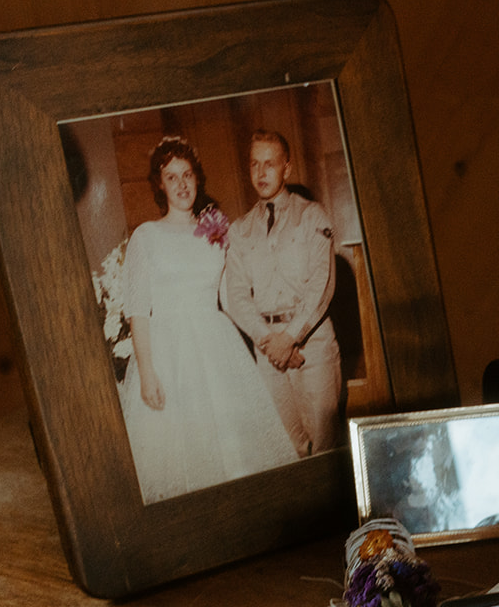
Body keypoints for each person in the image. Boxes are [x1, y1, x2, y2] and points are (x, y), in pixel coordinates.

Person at [119, 135, 298, 504]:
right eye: (172, 177)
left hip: (216, 346)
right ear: (160, 185)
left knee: (231, 457)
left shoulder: (216, 233)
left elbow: (230, 301)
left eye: (188, 175)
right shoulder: (146, 237)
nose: (182, 184)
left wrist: (268, 341)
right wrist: (148, 372)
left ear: (197, 179)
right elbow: (137, 309)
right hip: (169, 353)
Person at [224, 130, 343, 457]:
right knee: (288, 452)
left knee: (325, 450)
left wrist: (290, 337)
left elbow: (321, 286)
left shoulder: (312, 216)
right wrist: (270, 342)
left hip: (313, 347)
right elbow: (237, 296)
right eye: (254, 165)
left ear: (286, 169)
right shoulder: (240, 229)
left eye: (269, 164)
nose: (260, 174)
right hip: (268, 355)